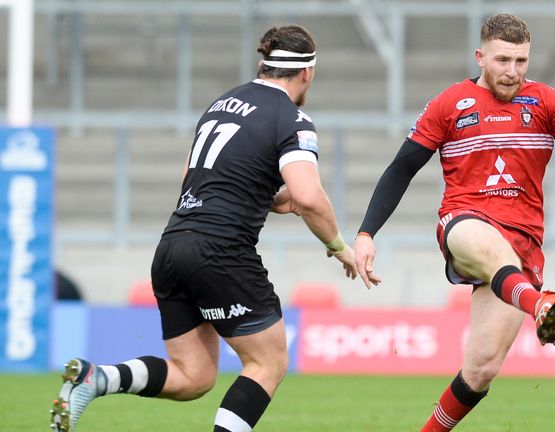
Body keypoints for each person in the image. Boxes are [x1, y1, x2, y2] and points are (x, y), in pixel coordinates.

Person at [353, 13, 555, 432]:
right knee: (487, 243)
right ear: (480, 56)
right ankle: (538, 303)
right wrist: (366, 232)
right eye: (502, 60)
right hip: (464, 222)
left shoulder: (546, 102)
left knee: (481, 370)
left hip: (522, 245)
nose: (512, 72)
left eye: (521, 61)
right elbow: (401, 169)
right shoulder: (449, 103)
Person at [50, 24, 358, 432]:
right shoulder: (292, 117)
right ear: (307, 73)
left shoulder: (222, 103)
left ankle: (97, 379)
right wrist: (338, 245)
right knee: (268, 361)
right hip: (221, 250)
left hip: (173, 247)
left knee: (193, 376)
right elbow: (308, 196)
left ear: (264, 64)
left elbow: (195, 175)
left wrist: (261, 195)